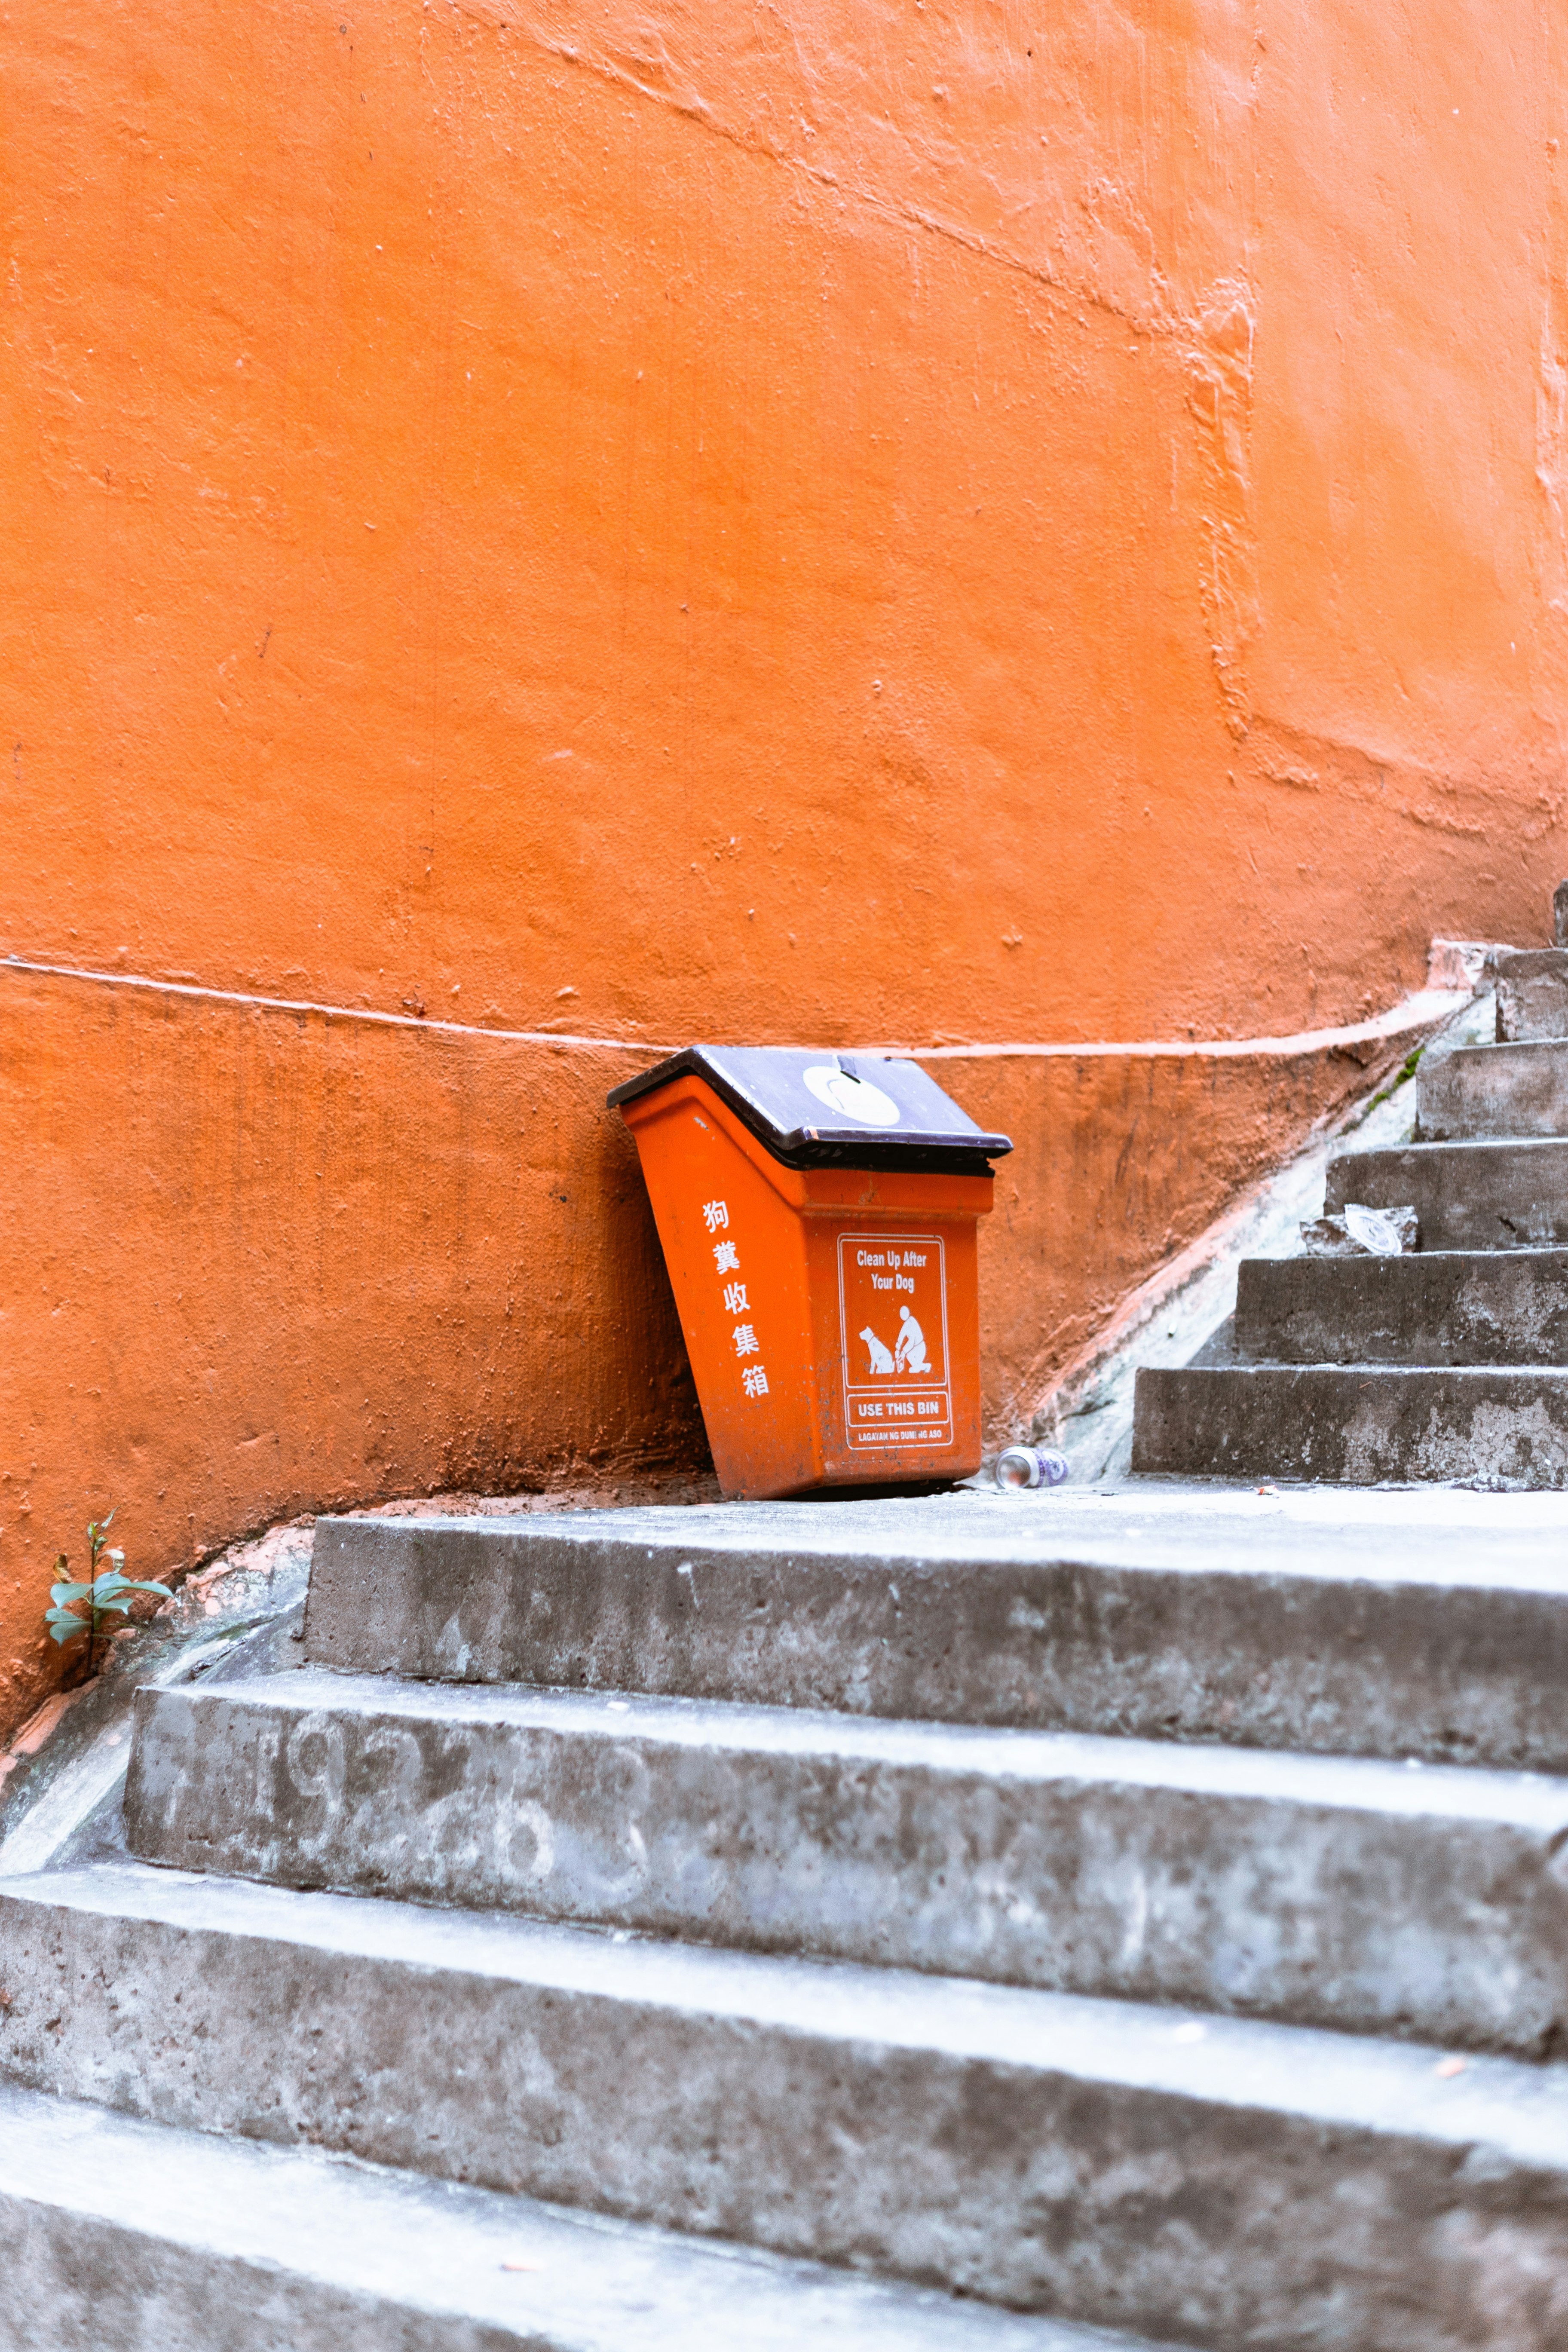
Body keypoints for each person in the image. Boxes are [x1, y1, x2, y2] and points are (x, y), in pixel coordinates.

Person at [894, 1303, 931, 1375]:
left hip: (920, 1348)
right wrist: (897, 1348)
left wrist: (903, 1353)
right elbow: (902, 1335)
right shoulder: (907, 1323)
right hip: (917, 1348)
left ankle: (924, 1366)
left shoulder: (912, 1322)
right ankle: (923, 1367)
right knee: (910, 1357)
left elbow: (911, 1343)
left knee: (909, 1356)